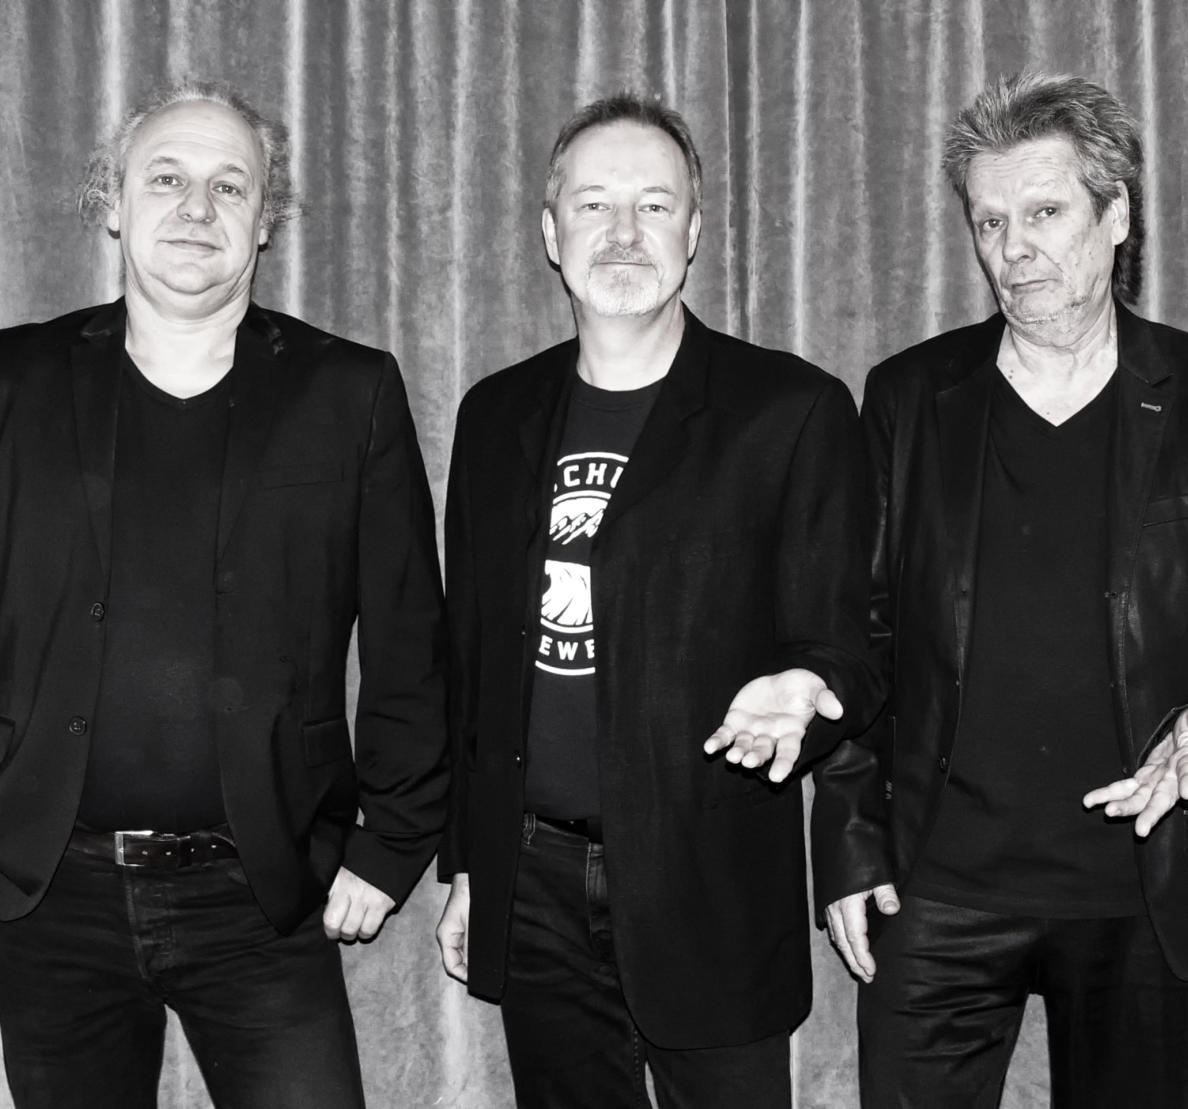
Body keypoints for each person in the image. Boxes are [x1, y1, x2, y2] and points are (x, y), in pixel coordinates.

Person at [0, 81, 448, 1109]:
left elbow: (410, 639)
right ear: (113, 204)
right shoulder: (14, 382)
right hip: (46, 894)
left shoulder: (349, 392)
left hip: (262, 892)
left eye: (229, 185)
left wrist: (390, 845)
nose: (197, 208)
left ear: (265, 221)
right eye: (166, 179)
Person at [434, 92, 879, 1108]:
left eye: (654, 205)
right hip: (534, 882)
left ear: (694, 230)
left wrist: (809, 689)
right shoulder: (494, 414)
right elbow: (471, 663)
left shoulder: (791, 411)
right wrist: (469, 862)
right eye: (594, 205)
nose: (624, 232)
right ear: (552, 234)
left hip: (713, 881)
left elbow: (850, 645)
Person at [812, 72, 1188, 1107]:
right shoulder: (908, 397)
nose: (1014, 247)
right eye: (990, 221)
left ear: (1117, 216)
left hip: (1146, 889)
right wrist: (849, 842)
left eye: (1045, 212)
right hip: (940, 885)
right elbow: (857, 634)